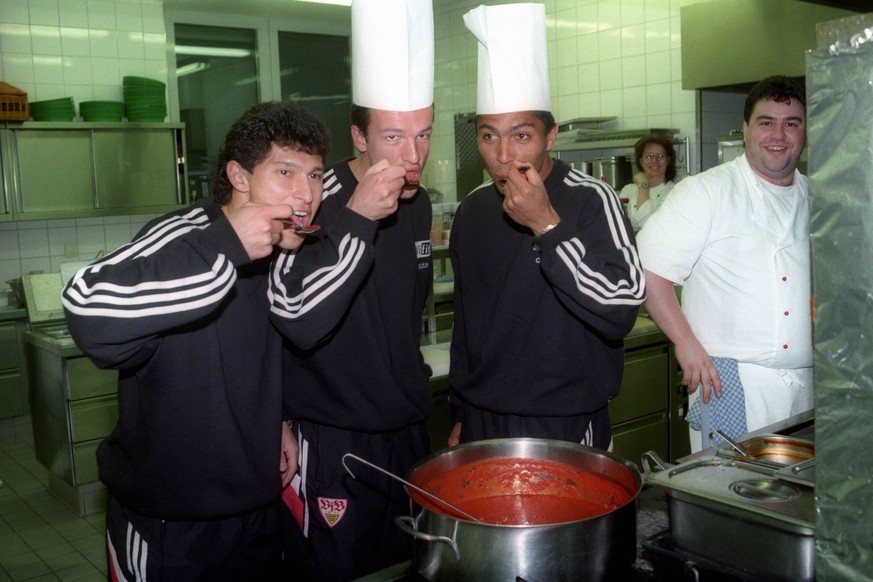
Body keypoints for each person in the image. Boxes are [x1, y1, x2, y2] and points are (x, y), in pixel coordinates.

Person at [61, 101, 329, 580]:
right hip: (170, 525)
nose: (305, 193)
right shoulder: (183, 236)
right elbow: (85, 306)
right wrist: (224, 245)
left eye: (314, 175)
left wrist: (278, 420)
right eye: (286, 171)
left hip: (256, 509)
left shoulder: (278, 251)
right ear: (239, 176)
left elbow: (249, 358)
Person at [267, 0, 435, 578]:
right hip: (334, 435)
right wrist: (280, 419)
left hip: (408, 431)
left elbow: (404, 317)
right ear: (359, 135)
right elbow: (287, 320)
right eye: (393, 136)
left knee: (410, 565)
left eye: (424, 135)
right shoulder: (315, 201)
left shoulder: (420, 204)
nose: (412, 158)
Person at [447, 3, 646, 450]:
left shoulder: (591, 199)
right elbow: (467, 324)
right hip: (483, 420)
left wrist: (547, 225)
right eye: (488, 135)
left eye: (521, 135)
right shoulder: (473, 211)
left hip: (568, 421)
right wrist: (461, 410)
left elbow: (622, 308)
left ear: (549, 137)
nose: (503, 155)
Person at [637, 76, 813, 452]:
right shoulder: (706, 191)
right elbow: (648, 273)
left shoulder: (818, 197)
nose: (778, 134)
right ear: (746, 128)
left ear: (805, 132)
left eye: (791, 123)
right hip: (730, 381)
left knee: (797, 501)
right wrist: (685, 344)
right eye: (766, 122)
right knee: (732, 498)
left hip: (808, 384)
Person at [619, 134, 677, 230]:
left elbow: (652, 226)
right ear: (641, 160)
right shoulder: (629, 190)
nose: (655, 160)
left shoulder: (674, 192)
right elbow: (616, 222)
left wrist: (643, 186)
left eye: (660, 156)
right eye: (649, 156)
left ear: (668, 160)